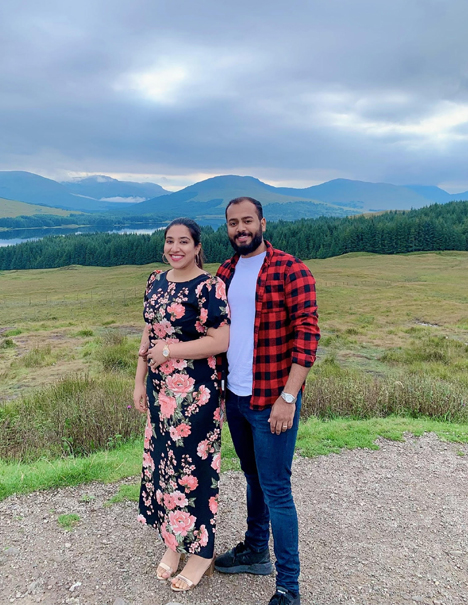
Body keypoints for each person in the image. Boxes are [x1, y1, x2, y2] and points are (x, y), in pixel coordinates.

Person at [214, 197, 320, 605]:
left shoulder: (291, 269)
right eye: (232, 223)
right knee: (253, 477)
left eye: (247, 221)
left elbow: (307, 336)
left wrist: (288, 397)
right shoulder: (226, 271)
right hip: (236, 397)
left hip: (272, 400)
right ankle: (257, 549)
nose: (240, 229)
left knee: (276, 488)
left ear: (262, 222)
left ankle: (288, 588)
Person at [133, 217, 230, 593]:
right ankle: (174, 543)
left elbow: (220, 340)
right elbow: (149, 333)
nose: (175, 248)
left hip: (196, 396)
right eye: (170, 241)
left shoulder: (209, 286)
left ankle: (202, 553)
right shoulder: (155, 280)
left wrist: (170, 351)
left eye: (184, 241)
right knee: (165, 468)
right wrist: (139, 379)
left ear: (197, 247)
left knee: (194, 470)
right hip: (160, 393)